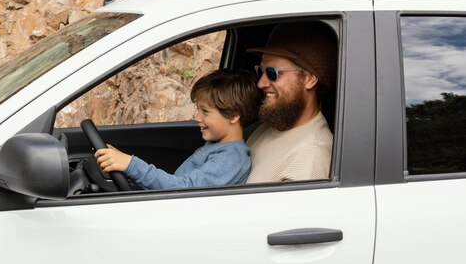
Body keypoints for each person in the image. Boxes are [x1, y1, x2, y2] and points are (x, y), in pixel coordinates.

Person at [95, 69, 260, 189]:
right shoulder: (217, 146)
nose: (197, 117)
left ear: (233, 116)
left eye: (205, 111)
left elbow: (184, 188)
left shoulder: (231, 158)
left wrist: (130, 165)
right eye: (198, 109)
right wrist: (125, 167)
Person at [245, 21, 337, 183]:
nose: (261, 83)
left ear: (309, 79)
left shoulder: (311, 156)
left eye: (272, 73)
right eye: (261, 71)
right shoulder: (271, 123)